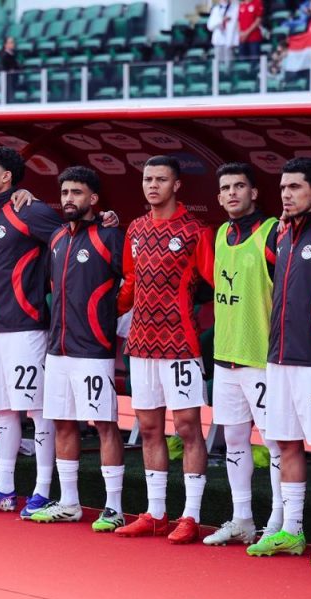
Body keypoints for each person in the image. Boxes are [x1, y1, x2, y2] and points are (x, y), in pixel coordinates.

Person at [245, 157, 311, 567]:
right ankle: (292, 531)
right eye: (283, 187)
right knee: (285, 442)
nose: (286, 194)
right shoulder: (280, 233)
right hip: (278, 360)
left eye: (295, 187)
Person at [0, 146, 63, 518]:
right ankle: (3, 488)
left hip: (25, 328)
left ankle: (42, 490)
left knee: (37, 411)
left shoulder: (29, 210)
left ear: (7, 177)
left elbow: (69, 242)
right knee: (3, 410)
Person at [115, 156, 213, 544]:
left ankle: (191, 515)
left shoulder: (195, 230)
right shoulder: (135, 229)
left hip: (180, 345)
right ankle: (156, 513)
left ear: (177, 186)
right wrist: (111, 310)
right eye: (147, 179)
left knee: (188, 428)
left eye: (161, 180)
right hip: (141, 344)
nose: (152, 186)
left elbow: (213, 282)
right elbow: (130, 281)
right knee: (150, 429)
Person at [31, 166, 125, 529]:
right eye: (66, 193)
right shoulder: (56, 238)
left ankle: (113, 507)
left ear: (94, 199)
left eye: (77, 193)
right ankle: (69, 501)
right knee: (63, 423)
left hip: (94, 351)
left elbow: (130, 281)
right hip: (58, 351)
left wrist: (107, 315)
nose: (69, 199)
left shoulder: (109, 235)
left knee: (104, 425)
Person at [201, 163, 283, 546]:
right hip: (226, 357)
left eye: (239, 186)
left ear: (254, 192)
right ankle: (242, 518)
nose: (232, 193)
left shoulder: (272, 233)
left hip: (262, 357)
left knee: (276, 442)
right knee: (234, 440)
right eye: (225, 188)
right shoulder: (220, 234)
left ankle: (280, 520)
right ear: (217, 197)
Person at [207, 0, 239, 68]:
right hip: (218, 41)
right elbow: (210, 26)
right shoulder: (215, 9)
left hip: (229, 41)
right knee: (218, 64)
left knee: (229, 65)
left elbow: (236, 26)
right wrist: (221, 20)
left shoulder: (235, 9)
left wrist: (234, 41)